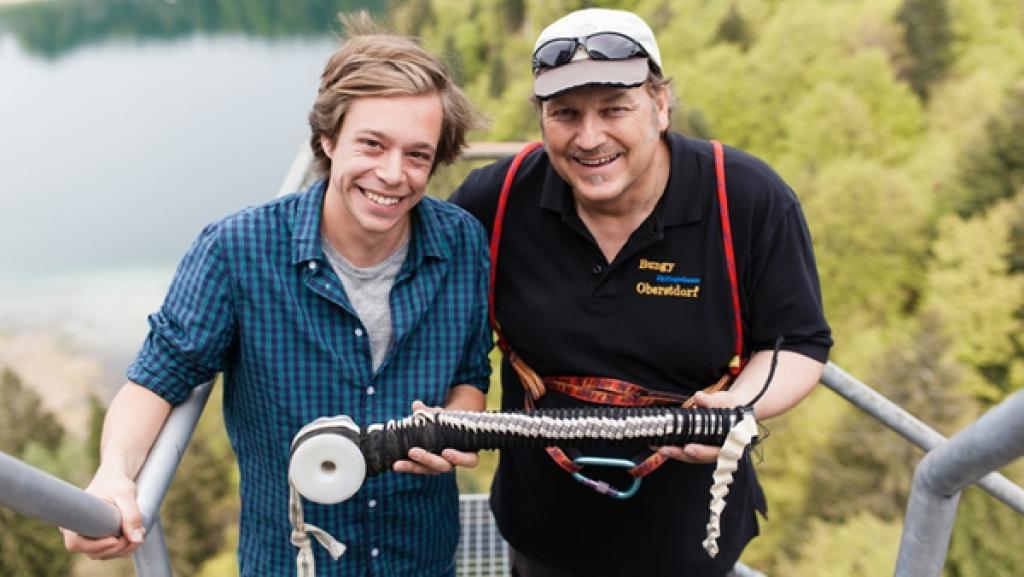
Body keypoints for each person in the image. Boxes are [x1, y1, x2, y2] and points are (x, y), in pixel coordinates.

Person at [62, 12, 491, 577]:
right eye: (372, 144)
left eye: (417, 154)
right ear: (327, 138)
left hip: (422, 557)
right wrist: (114, 474)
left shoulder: (460, 241)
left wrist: (455, 425)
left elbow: (470, 374)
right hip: (291, 561)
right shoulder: (237, 250)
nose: (393, 174)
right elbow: (157, 380)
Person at [450, 7, 832, 577]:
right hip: (543, 530)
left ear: (660, 105)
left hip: (689, 538)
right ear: (541, 119)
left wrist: (738, 406)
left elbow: (797, 342)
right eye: (566, 114)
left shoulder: (745, 201)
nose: (589, 137)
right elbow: (427, 306)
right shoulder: (497, 201)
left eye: (614, 109)